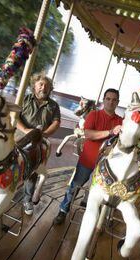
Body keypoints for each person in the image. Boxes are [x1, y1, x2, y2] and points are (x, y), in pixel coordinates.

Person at [53, 88, 122, 224]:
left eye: (114, 100)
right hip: (89, 159)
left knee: (105, 191)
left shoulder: (121, 121)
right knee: (76, 186)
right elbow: (89, 134)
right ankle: (63, 210)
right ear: (104, 100)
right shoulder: (94, 115)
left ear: (118, 102)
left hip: (107, 165)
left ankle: (100, 218)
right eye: (108, 99)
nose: (111, 102)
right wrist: (110, 131)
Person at [16, 72, 61, 215]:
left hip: (39, 139)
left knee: (33, 169)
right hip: (19, 137)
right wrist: (25, 130)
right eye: (41, 84)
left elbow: (56, 122)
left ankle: (27, 199)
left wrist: (44, 134)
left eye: (47, 86)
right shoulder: (25, 99)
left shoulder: (53, 105)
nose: (43, 88)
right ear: (34, 86)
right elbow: (15, 116)